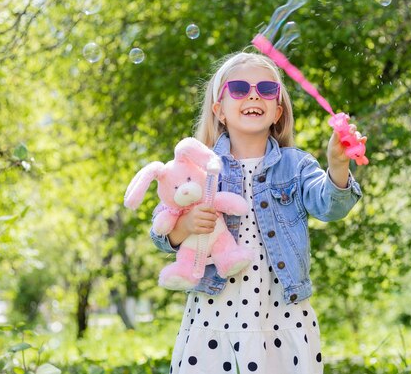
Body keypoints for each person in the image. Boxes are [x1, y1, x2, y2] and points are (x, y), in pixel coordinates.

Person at [150, 51, 362, 374]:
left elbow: (330, 206)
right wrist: (185, 226)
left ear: (278, 110)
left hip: (282, 315)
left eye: (266, 89)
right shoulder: (197, 167)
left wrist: (337, 165)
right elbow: (161, 231)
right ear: (219, 110)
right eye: (239, 88)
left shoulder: (296, 166)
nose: (253, 95)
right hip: (214, 313)